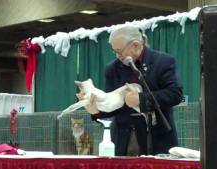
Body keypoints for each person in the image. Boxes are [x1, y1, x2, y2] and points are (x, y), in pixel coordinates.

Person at [77, 25, 183, 156]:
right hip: (124, 139)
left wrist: (141, 99)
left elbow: (175, 94)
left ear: (136, 45)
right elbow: (112, 106)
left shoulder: (163, 62)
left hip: (157, 138)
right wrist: (96, 110)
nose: (117, 55)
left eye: (120, 50)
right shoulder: (112, 69)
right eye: (114, 51)